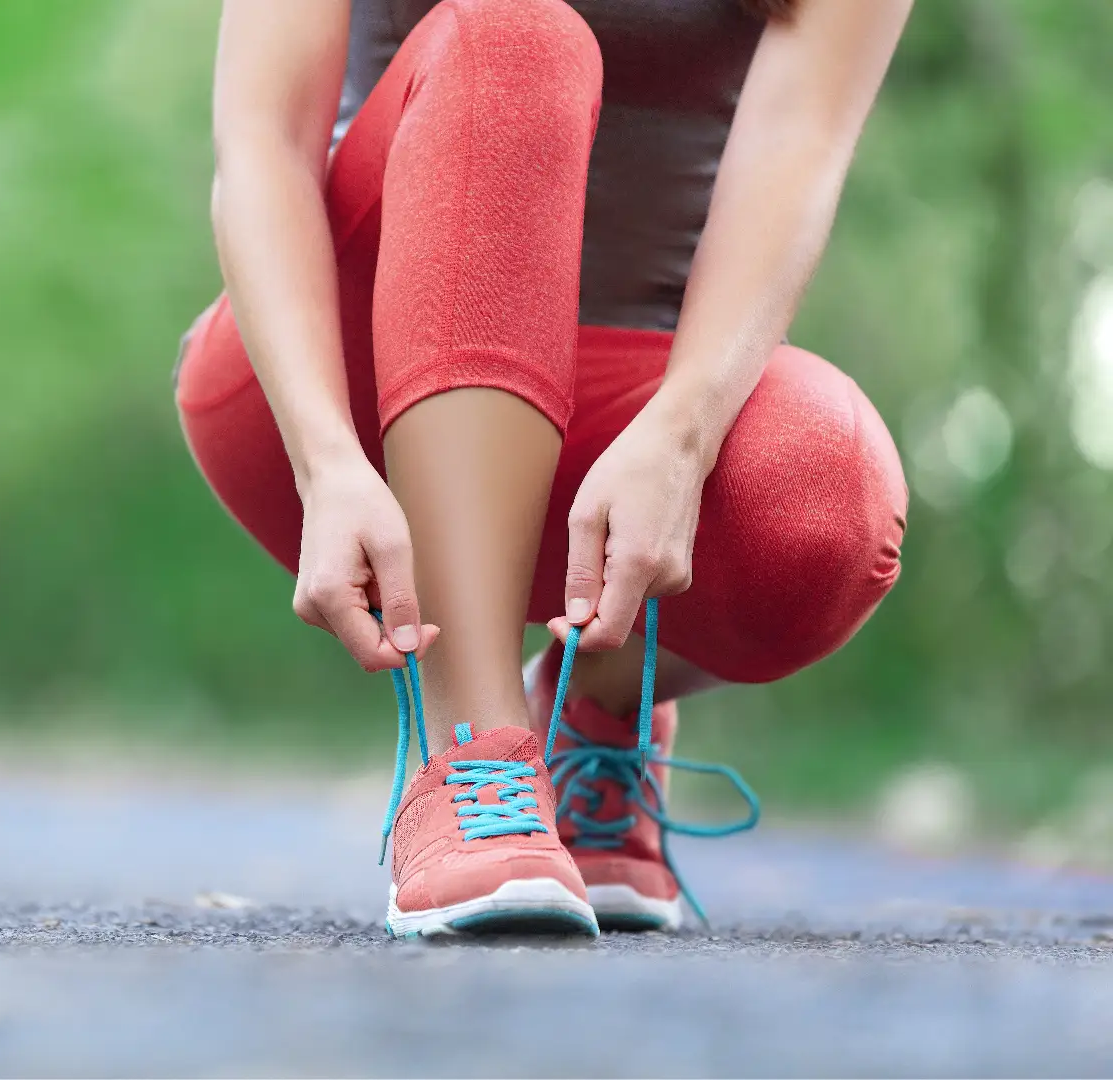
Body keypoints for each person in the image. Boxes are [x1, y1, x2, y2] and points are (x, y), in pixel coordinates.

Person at [176, 0, 912, 936]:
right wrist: (324, 457)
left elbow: (802, 139)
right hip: (339, 383)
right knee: (514, 35)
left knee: (825, 502)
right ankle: (473, 758)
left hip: (633, 408)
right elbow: (262, 141)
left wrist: (682, 434)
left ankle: (593, 705)